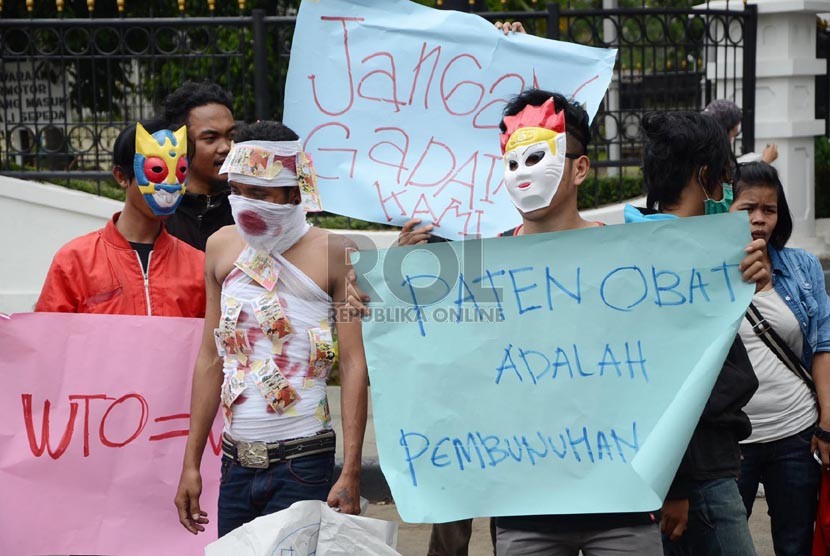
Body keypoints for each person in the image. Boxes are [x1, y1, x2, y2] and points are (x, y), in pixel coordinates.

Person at [174, 121, 369, 538]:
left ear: (294, 193)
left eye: (260, 193)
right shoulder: (220, 247)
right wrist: (191, 463)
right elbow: (212, 358)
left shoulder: (337, 253)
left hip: (304, 460)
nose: (246, 204)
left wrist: (351, 469)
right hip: (235, 463)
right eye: (238, 190)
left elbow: (354, 364)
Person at [629, 110, 764, 556]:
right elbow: (662, 382)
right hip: (697, 476)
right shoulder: (665, 260)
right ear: (705, 177)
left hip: (709, 465)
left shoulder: (693, 252)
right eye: (725, 178)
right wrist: (678, 484)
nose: (729, 193)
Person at [729, 162, 830, 556]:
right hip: (733, 443)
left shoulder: (801, 266)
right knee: (725, 544)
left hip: (796, 437)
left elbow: (823, 347)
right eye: (747, 208)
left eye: (769, 210)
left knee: (795, 544)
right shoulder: (704, 272)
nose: (758, 219)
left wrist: (825, 426)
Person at [35, 120, 205, 317]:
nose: (170, 185)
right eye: (157, 170)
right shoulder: (75, 262)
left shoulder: (198, 266)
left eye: (180, 172)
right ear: (120, 176)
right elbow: (49, 337)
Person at [162, 81, 237, 251]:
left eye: (231, 136)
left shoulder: (248, 209)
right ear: (182, 143)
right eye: (210, 138)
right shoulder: (161, 216)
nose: (226, 147)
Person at [704, 99, 778, 165]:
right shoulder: (708, 157)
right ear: (724, 131)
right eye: (733, 134)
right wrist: (765, 162)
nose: (731, 140)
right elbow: (729, 178)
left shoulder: (705, 148)